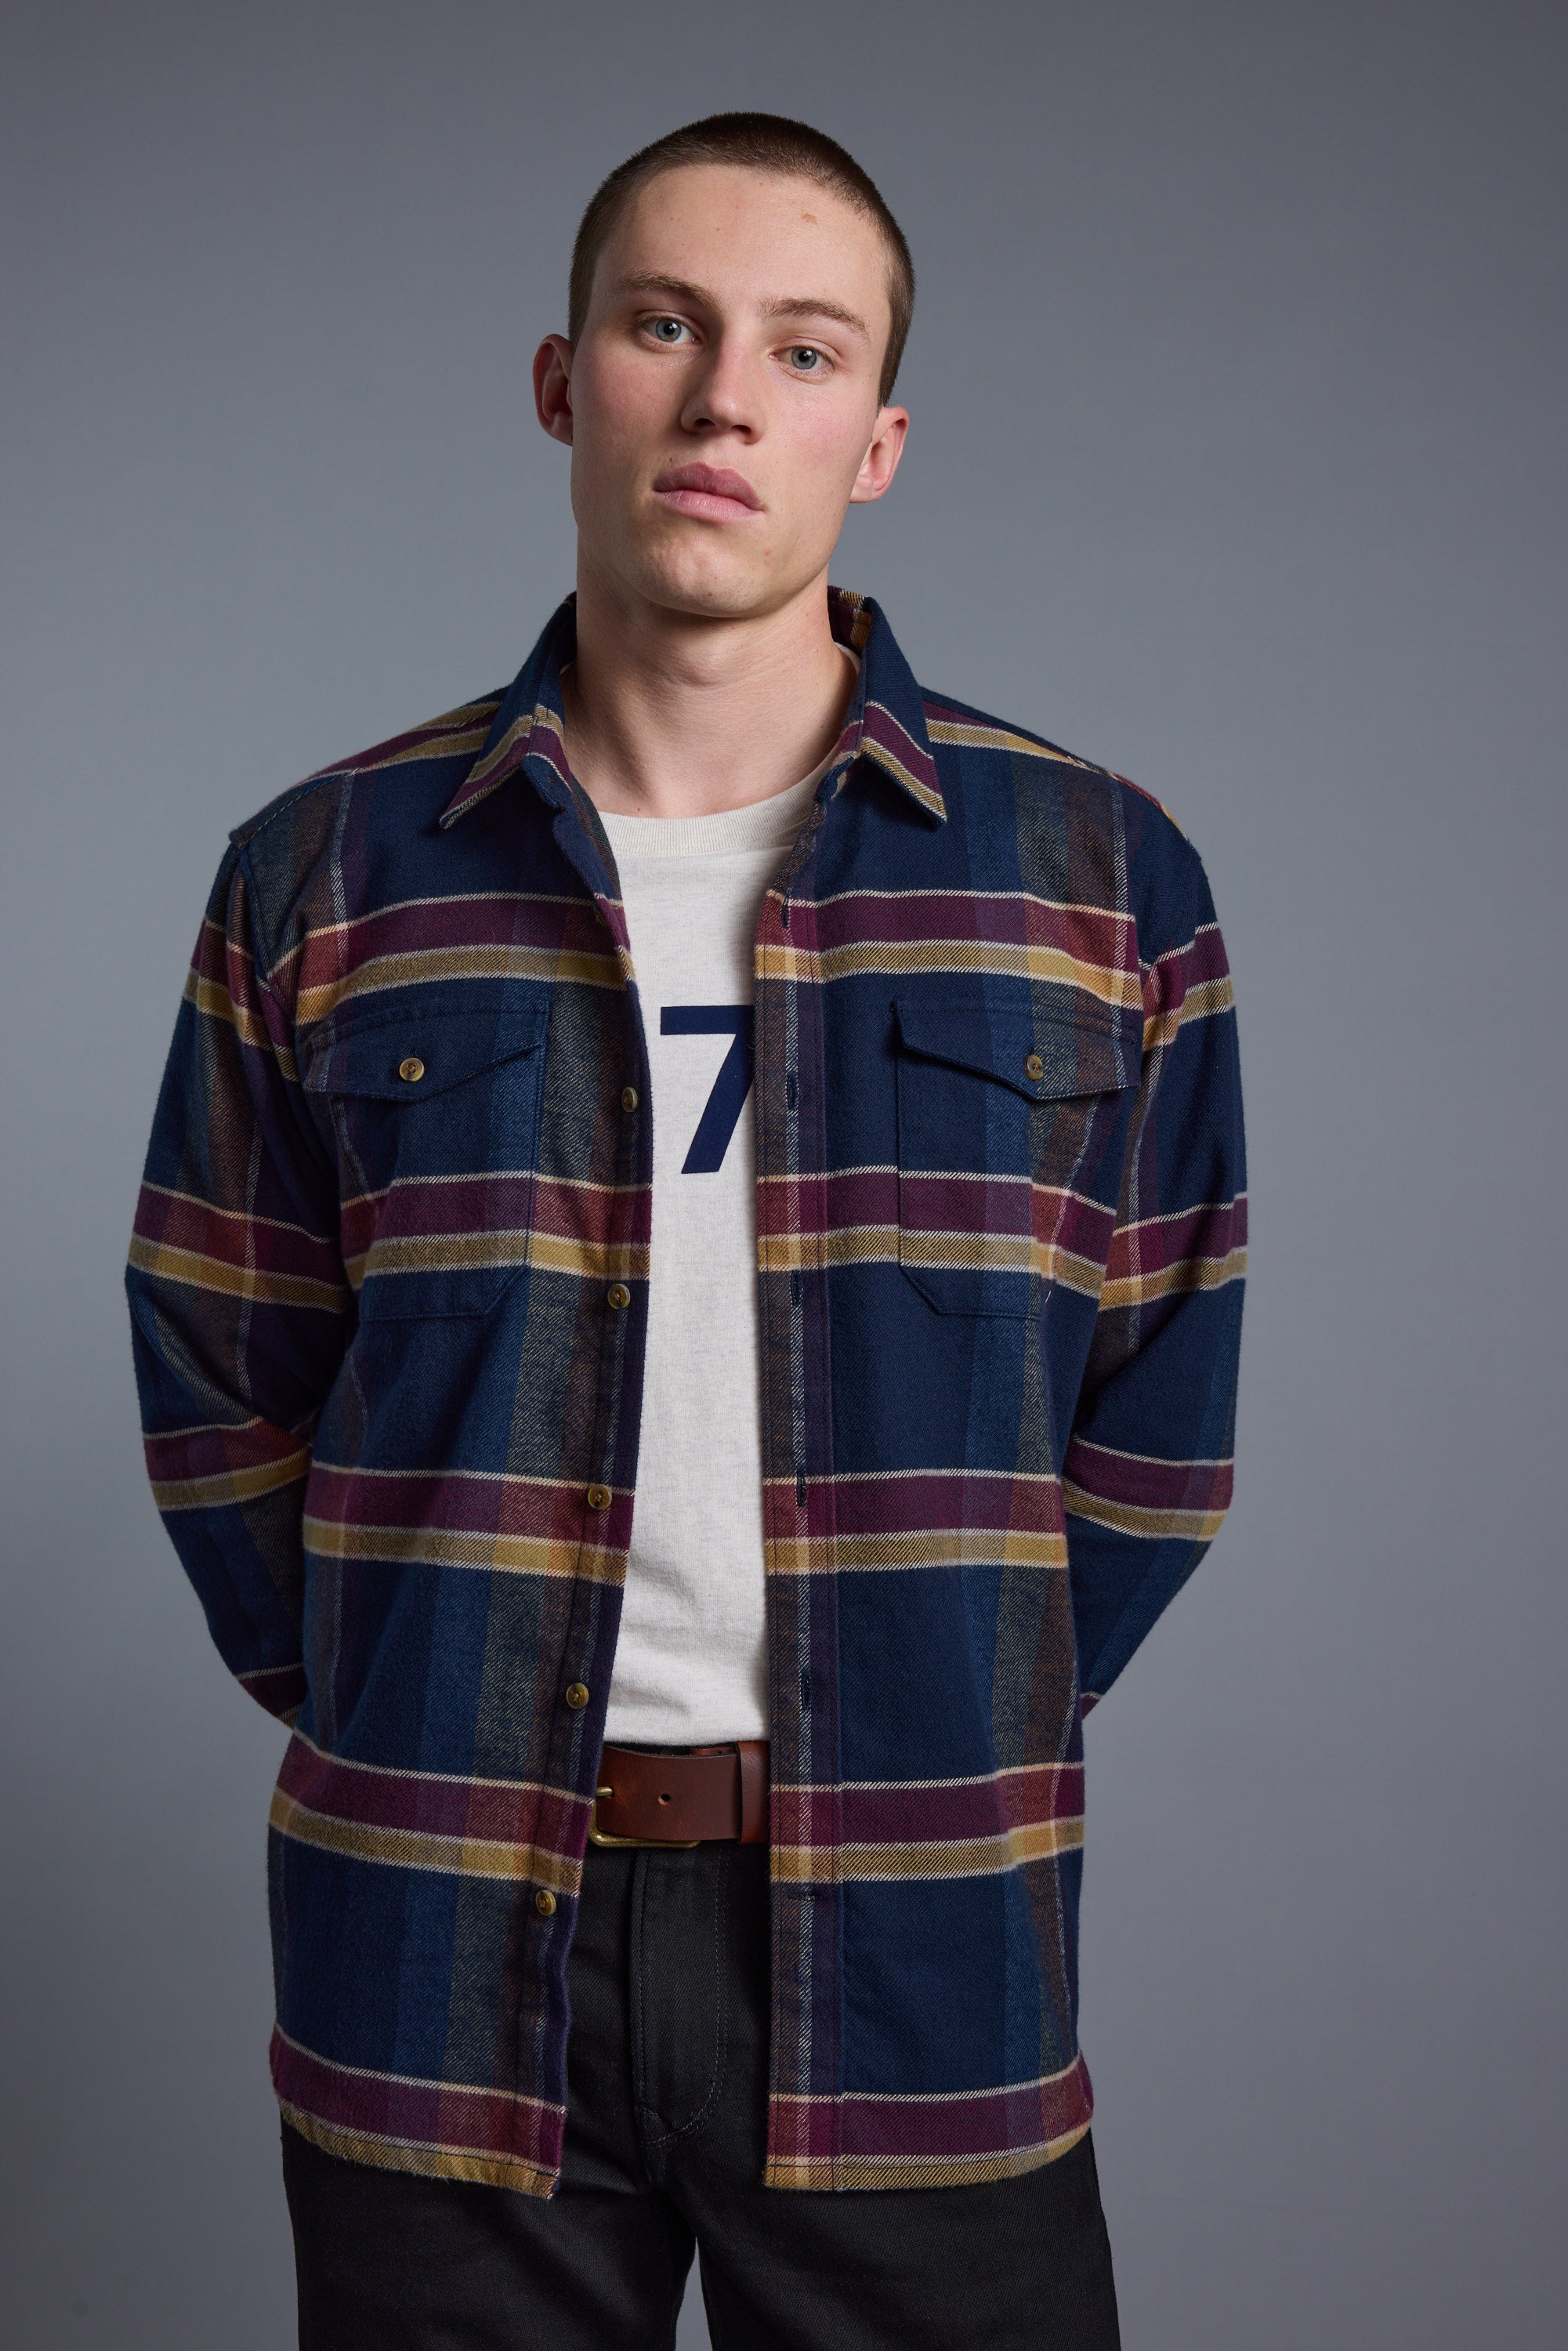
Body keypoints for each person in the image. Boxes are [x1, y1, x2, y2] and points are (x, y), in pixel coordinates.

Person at [126, 110, 1245, 2351]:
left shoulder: (1096, 883)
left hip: (923, 1942)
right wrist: (400, 1696)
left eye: (802, 350)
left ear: (877, 439)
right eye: (666, 325)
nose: (728, 396)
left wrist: (950, 1702)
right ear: (567, 383)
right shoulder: (326, 877)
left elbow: (1155, 1429)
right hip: (436, 1938)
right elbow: (218, 1383)